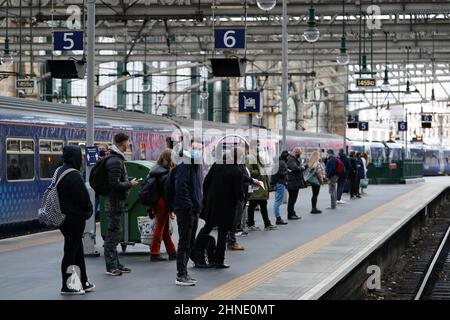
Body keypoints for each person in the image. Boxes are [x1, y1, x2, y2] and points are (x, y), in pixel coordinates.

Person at [198, 148, 244, 268]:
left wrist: (207, 198)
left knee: (207, 227)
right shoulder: (237, 171)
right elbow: (238, 193)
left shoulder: (217, 165)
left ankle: (196, 249)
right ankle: (219, 260)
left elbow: (206, 182)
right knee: (222, 233)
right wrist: (242, 197)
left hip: (212, 205)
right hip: (227, 207)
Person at [57, 145, 94, 295]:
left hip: (64, 218)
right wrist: (88, 212)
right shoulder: (74, 175)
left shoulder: (59, 171)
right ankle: (67, 285)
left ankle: (83, 281)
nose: (82, 159)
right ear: (75, 157)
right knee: (71, 252)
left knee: (77, 250)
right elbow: (83, 199)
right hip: (74, 218)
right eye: (80, 156)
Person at [104, 133, 140, 276]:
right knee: (112, 235)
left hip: (116, 203)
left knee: (116, 234)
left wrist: (128, 182)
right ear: (122, 143)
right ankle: (111, 266)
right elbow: (114, 184)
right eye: (127, 143)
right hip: (114, 203)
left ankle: (116, 263)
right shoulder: (115, 161)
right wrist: (130, 184)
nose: (128, 145)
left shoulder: (116, 159)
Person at [173, 138, 203, 286]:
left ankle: (185, 273)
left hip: (193, 209)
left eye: (200, 148)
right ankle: (181, 275)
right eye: (196, 148)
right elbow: (181, 187)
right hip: (186, 210)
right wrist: (189, 207)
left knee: (189, 242)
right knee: (184, 242)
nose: (199, 151)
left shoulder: (195, 164)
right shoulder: (185, 163)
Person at [149, 149, 177, 262]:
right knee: (160, 227)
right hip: (163, 202)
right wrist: (171, 210)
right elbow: (168, 193)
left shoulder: (155, 170)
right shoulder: (166, 173)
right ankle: (154, 253)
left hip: (156, 201)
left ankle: (172, 252)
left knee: (164, 228)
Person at [246, 149, 278, 231]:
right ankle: (252, 224)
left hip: (261, 186)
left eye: (258, 152)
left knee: (262, 205)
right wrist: (260, 172)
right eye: (256, 151)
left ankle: (266, 223)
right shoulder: (249, 159)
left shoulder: (259, 159)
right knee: (253, 205)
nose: (257, 153)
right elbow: (249, 172)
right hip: (256, 186)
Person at [286, 147, 306, 220]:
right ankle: (290, 214)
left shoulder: (293, 159)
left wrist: (300, 167)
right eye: (299, 154)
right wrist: (302, 168)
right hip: (293, 183)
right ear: (296, 152)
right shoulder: (291, 159)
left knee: (293, 199)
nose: (300, 155)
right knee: (292, 199)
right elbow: (295, 168)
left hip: (294, 182)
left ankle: (292, 213)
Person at [271, 150, 289, 225]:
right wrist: (287, 171)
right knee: (278, 201)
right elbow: (281, 173)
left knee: (277, 201)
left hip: (278, 183)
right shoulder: (281, 163)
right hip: (280, 183)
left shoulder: (278, 162)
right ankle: (278, 218)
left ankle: (278, 218)